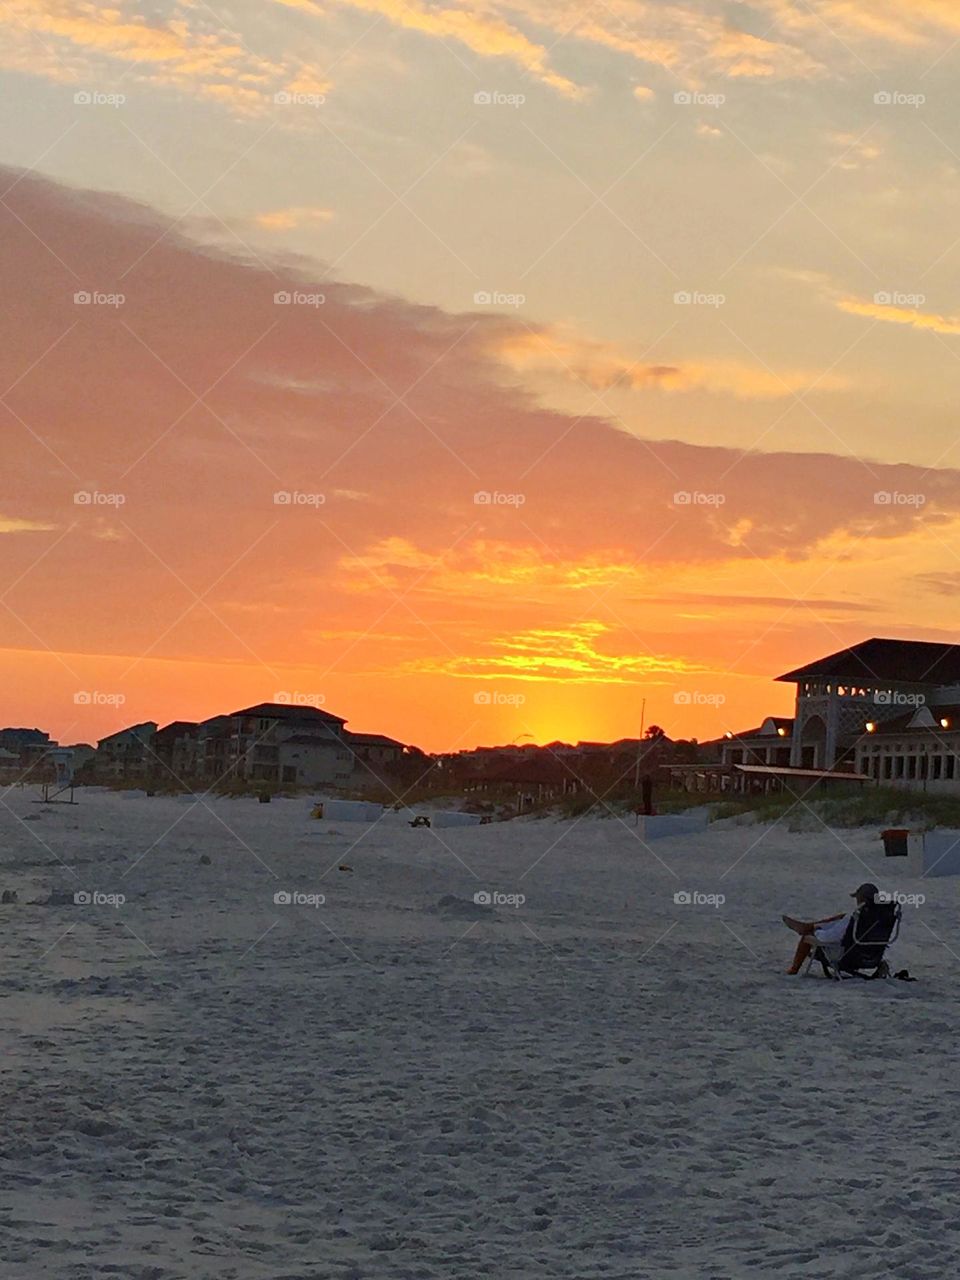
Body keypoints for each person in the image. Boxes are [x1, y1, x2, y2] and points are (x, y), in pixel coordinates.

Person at [782, 882, 878, 975]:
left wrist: (816, 931)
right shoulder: (879, 920)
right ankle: (809, 926)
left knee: (807, 937)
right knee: (842, 917)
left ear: (861, 900)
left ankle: (794, 969)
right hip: (872, 956)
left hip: (847, 956)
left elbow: (829, 937)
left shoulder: (854, 920)